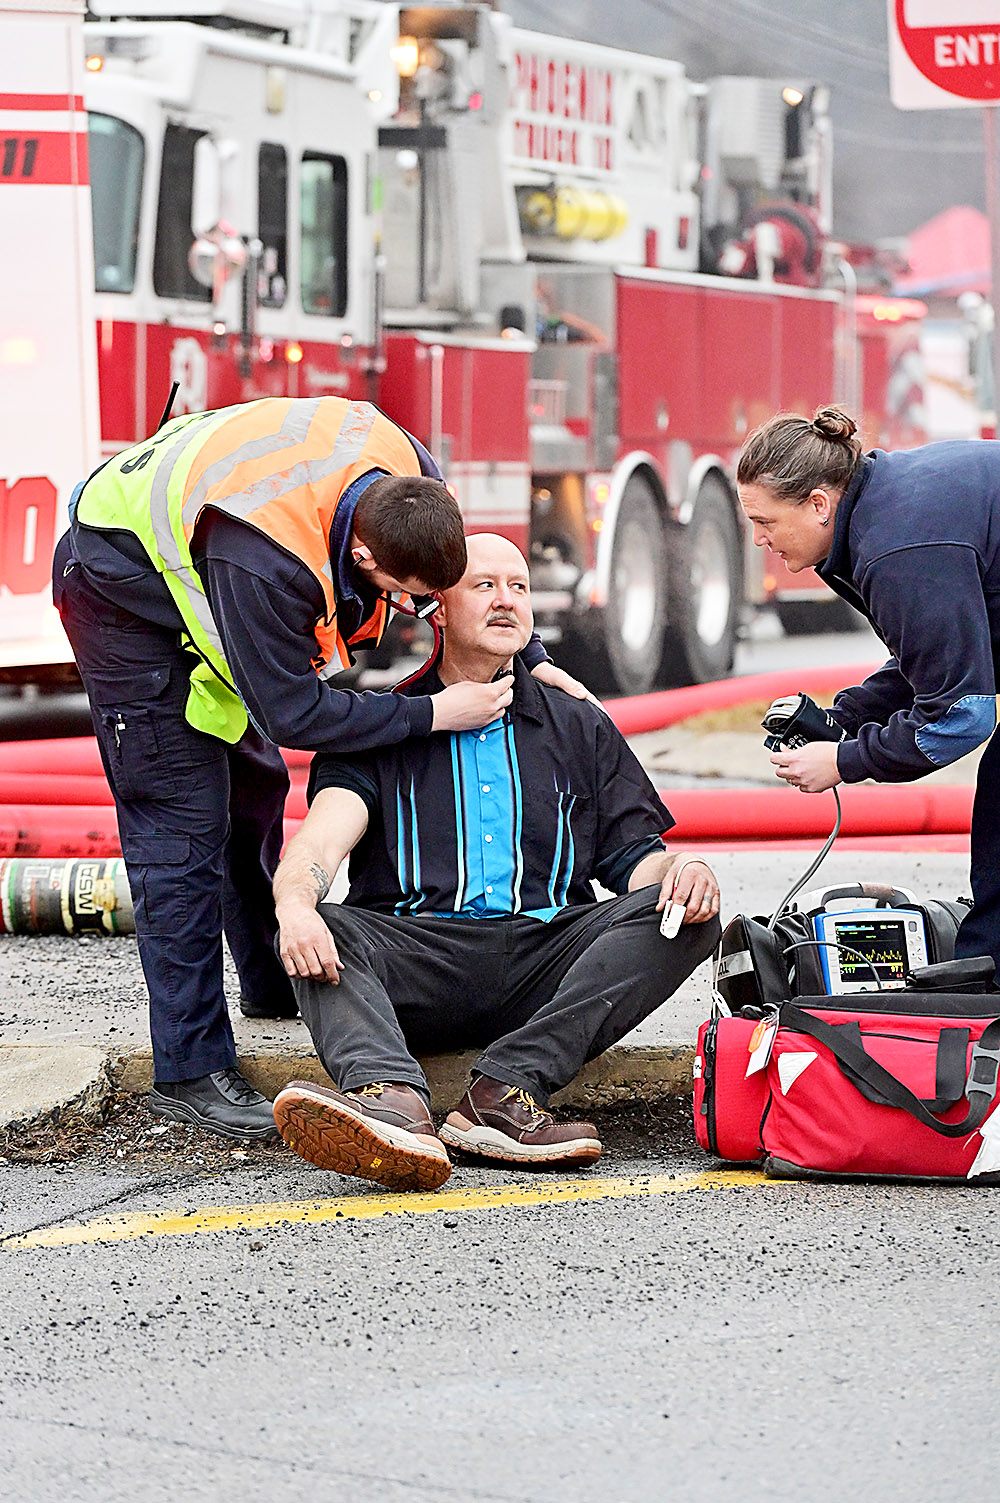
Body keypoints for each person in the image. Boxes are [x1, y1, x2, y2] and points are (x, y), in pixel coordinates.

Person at [53, 397, 587, 1141]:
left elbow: (448, 574)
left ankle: (273, 982)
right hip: (121, 591)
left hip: (201, 550)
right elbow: (295, 717)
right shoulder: (266, 559)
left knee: (255, 792)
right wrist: (434, 713)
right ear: (364, 558)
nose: (413, 609)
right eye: (404, 595)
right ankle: (189, 1070)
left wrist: (530, 655)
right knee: (182, 823)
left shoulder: (411, 472)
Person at [270, 532, 721, 1191]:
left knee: (683, 916)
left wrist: (681, 873)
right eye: (484, 585)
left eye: (519, 587)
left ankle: (505, 1094)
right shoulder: (379, 724)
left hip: (545, 959)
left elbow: (635, 860)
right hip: (421, 959)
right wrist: (293, 905)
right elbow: (318, 844)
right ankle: (390, 1103)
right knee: (322, 923)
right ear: (437, 606)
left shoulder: (579, 724)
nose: (506, 600)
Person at [737, 404, 1000, 968]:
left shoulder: (898, 548)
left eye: (766, 522)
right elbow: (927, 661)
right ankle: (987, 971)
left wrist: (844, 761)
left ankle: (986, 982)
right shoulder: (881, 511)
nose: (758, 539)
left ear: (818, 504)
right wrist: (844, 719)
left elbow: (960, 716)